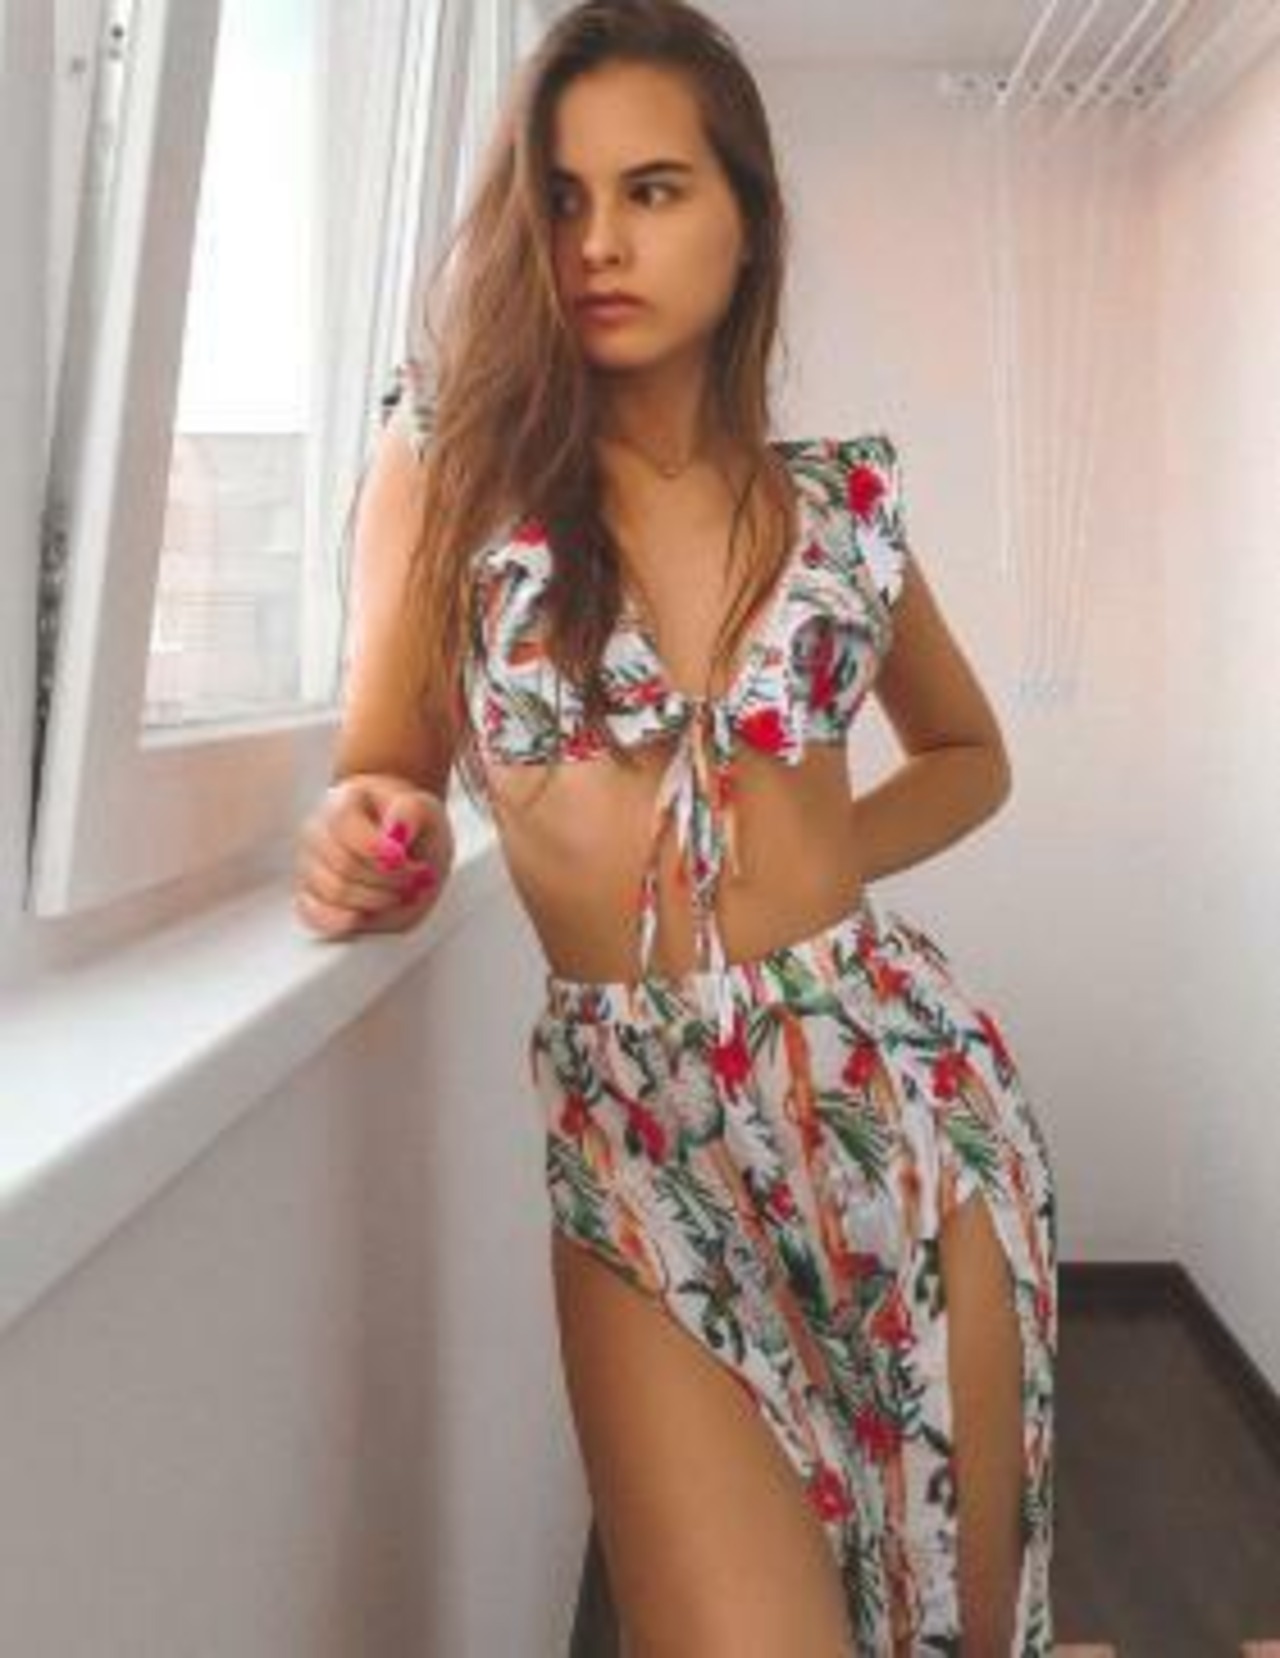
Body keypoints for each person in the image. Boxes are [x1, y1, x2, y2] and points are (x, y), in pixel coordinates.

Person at [292, 2, 1059, 1652]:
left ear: (745, 218)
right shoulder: (448, 467)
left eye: (651, 190)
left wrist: (823, 863)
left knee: (952, 1629)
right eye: (562, 198)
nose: (597, 241)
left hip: (903, 1101)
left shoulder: (837, 506)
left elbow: (971, 754)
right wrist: (364, 826)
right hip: (637, 1141)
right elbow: (387, 760)